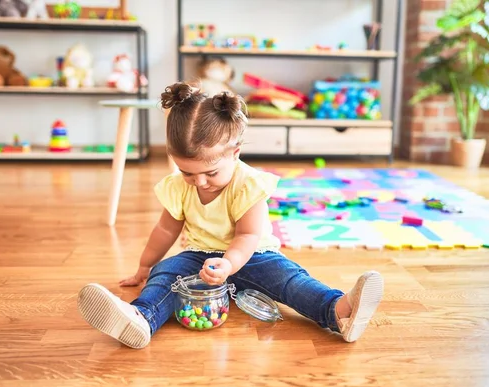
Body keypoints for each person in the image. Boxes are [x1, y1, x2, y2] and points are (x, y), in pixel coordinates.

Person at [77, 82, 384, 349]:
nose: (198, 181)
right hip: (199, 256)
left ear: (235, 153)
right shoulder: (178, 187)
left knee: (289, 280)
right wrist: (145, 266)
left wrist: (229, 264)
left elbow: (248, 235)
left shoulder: (248, 184)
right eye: (187, 172)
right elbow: (165, 229)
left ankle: (339, 310)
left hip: (253, 256)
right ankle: (140, 318)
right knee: (167, 274)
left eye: (209, 172)